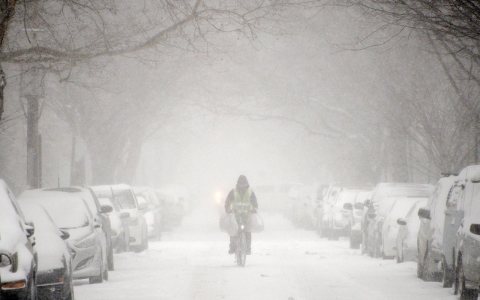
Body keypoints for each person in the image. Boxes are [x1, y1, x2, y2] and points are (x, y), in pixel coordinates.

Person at [224, 175, 258, 255]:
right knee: (233, 230)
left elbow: (255, 203)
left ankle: (248, 248)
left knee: (247, 231)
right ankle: (232, 247)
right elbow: (227, 202)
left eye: (244, 185)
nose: (242, 187)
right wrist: (228, 209)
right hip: (236, 215)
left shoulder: (250, 192)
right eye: (240, 185)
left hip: (247, 215)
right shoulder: (233, 192)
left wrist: (254, 209)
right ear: (238, 184)